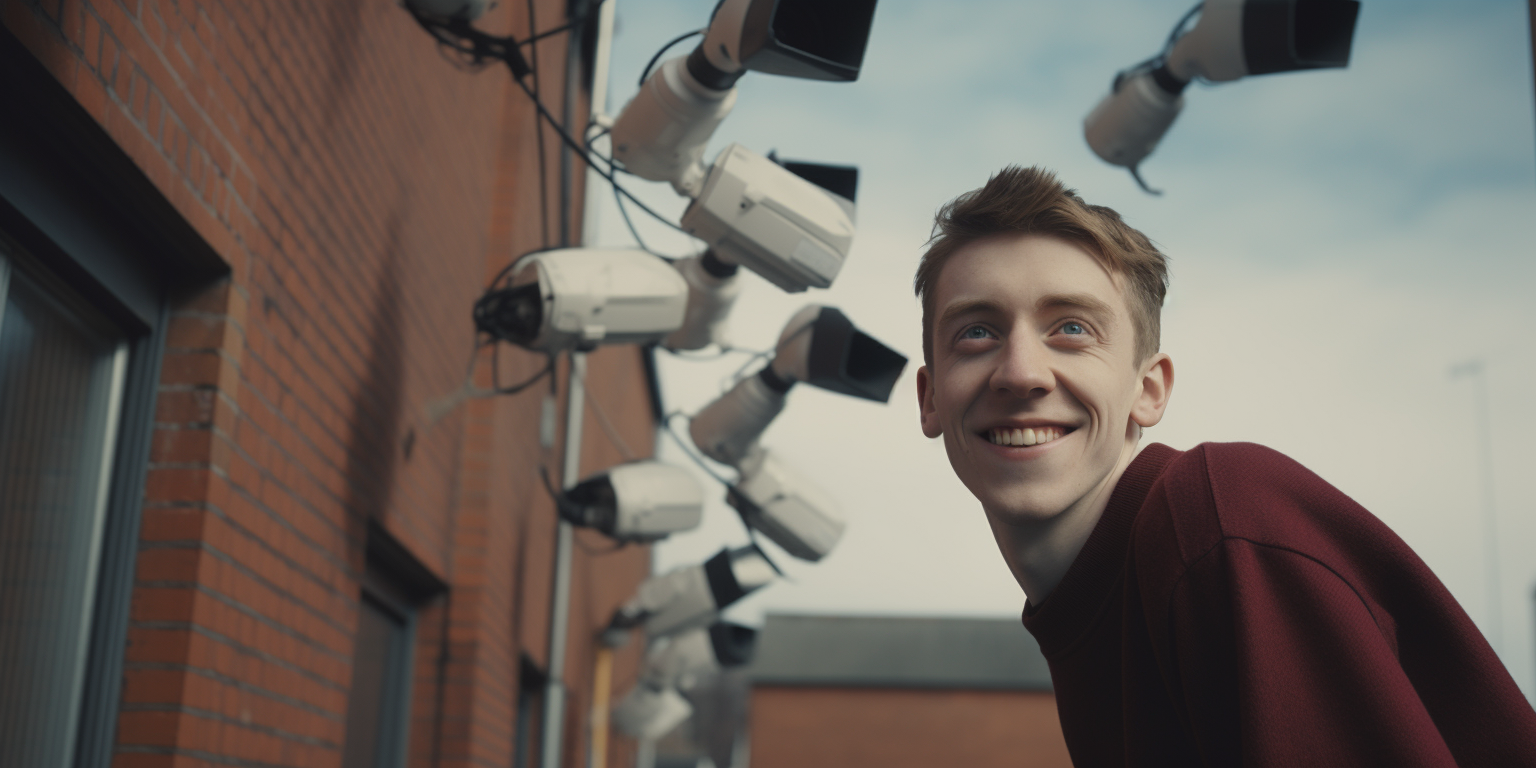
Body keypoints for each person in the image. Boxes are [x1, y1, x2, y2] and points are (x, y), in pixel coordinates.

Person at [912, 166, 1536, 766]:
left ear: (1149, 391)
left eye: (1071, 328)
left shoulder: (1214, 524)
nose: (1021, 373)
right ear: (930, 397)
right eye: (976, 333)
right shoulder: (1087, 609)